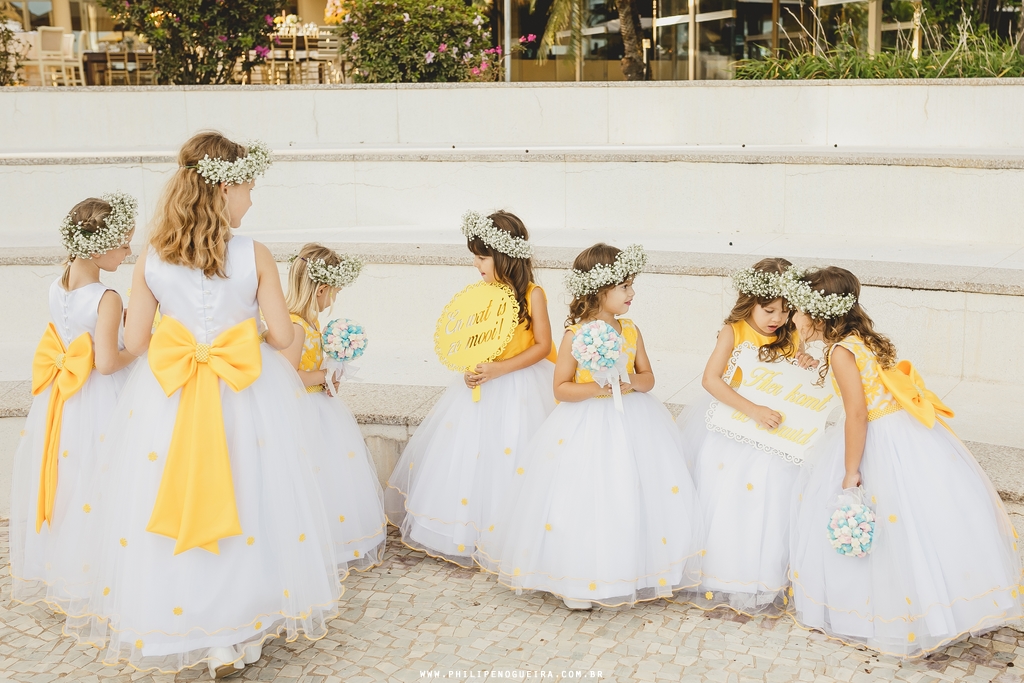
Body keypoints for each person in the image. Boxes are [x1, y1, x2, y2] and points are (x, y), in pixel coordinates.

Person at [63, 132, 341, 677]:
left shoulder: (151, 256)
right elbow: (285, 338)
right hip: (244, 398)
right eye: (248, 187)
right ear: (225, 189)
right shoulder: (253, 254)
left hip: (171, 398)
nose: (252, 200)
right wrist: (249, 330)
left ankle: (188, 620)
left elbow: (138, 342)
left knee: (176, 500)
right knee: (246, 500)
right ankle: (235, 632)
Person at [786, 266, 1023, 657]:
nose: (793, 317)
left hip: (877, 437)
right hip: (907, 433)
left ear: (817, 313)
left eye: (797, 310)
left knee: (883, 525)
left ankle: (879, 614)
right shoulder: (858, 340)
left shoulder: (841, 350)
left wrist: (850, 471)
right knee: (922, 523)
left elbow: (857, 415)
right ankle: (946, 604)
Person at [475, 243, 704, 610]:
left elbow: (648, 378)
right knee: (585, 497)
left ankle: (637, 570)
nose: (632, 294)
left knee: (633, 492)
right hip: (585, 423)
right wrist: (599, 386)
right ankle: (579, 579)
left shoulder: (631, 331)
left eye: (631, 286)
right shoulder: (574, 334)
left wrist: (628, 380)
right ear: (600, 289)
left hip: (634, 420)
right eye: (625, 287)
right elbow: (561, 389)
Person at [386, 210, 556, 567]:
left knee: (513, 454)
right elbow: (472, 342)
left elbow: (542, 345)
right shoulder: (482, 295)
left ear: (504, 256)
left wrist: (501, 369)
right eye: (475, 257)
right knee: (476, 455)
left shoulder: (532, 294)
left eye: (482, 257)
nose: (476, 264)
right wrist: (470, 369)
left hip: (520, 386)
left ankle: (508, 536)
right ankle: (470, 532)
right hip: (482, 391)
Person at [10, 192, 138, 612]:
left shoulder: (56, 285)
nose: (129, 251)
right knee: (103, 481)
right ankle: (100, 576)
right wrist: (140, 347)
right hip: (99, 399)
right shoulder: (107, 297)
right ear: (99, 246)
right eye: (124, 243)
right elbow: (104, 363)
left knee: (70, 482)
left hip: (62, 399)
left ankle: (66, 571)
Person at [284, 243, 386, 572]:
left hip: (318, 408)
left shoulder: (308, 323)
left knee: (326, 473)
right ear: (322, 288)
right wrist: (324, 374)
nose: (335, 299)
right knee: (310, 474)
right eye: (336, 292)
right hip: (301, 412)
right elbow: (288, 376)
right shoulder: (297, 326)